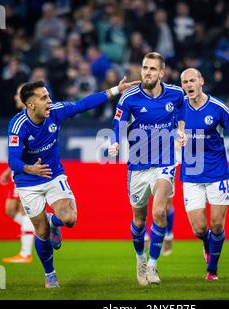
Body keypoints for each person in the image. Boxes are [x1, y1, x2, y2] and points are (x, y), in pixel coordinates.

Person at [7, 77, 139, 288]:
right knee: (40, 232)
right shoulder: (18, 124)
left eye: (48, 96)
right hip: (28, 181)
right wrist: (28, 168)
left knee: (69, 219)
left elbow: (83, 104)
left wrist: (116, 89)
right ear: (30, 104)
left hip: (52, 174)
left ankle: (55, 222)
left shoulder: (56, 111)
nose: (49, 101)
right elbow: (12, 159)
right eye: (43, 98)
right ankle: (50, 274)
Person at [108, 52, 187, 286]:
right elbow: (118, 123)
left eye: (152, 69)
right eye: (145, 68)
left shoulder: (175, 93)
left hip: (165, 163)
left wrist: (180, 130)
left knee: (160, 211)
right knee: (139, 221)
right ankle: (140, 258)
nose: (147, 72)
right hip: (138, 167)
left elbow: (181, 111)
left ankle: (153, 265)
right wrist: (115, 140)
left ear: (161, 72)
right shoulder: (129, 97)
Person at [179, 68, 229, 280]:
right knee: (199, 229)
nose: (188, 85)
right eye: (185, 82)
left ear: (201, 81)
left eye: (192, 80)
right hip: (191, 175)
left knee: (217, 225)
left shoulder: (218, 108)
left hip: (217, 173)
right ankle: (206, 243)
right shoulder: (178, 109)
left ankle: (212, 270)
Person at [1, 83, 35, 263]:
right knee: (9, 210)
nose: (15, 97)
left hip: (26, 172)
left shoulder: (29, 119)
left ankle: (25, 253)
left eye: (17, 94)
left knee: (24, 210)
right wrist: (9, 170)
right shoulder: (19, 118)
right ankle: (41, 227)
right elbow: (19, 150)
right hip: (17, 170)